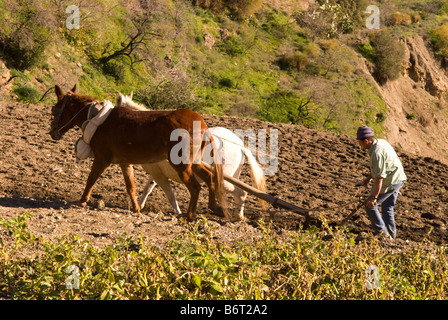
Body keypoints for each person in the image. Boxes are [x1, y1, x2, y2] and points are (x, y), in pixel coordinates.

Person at [356, 125, 407, 239]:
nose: (359, 145)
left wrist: (373, 197)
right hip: (398, 177)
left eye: (360, 142)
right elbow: (378, 168)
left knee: (370, 205)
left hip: (391, 181)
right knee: (387, 208)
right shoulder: (380, 142)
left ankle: (382, 233)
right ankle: (391, 237)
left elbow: (379, 179)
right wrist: (368, 178)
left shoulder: (376, 153)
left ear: (366, 141)